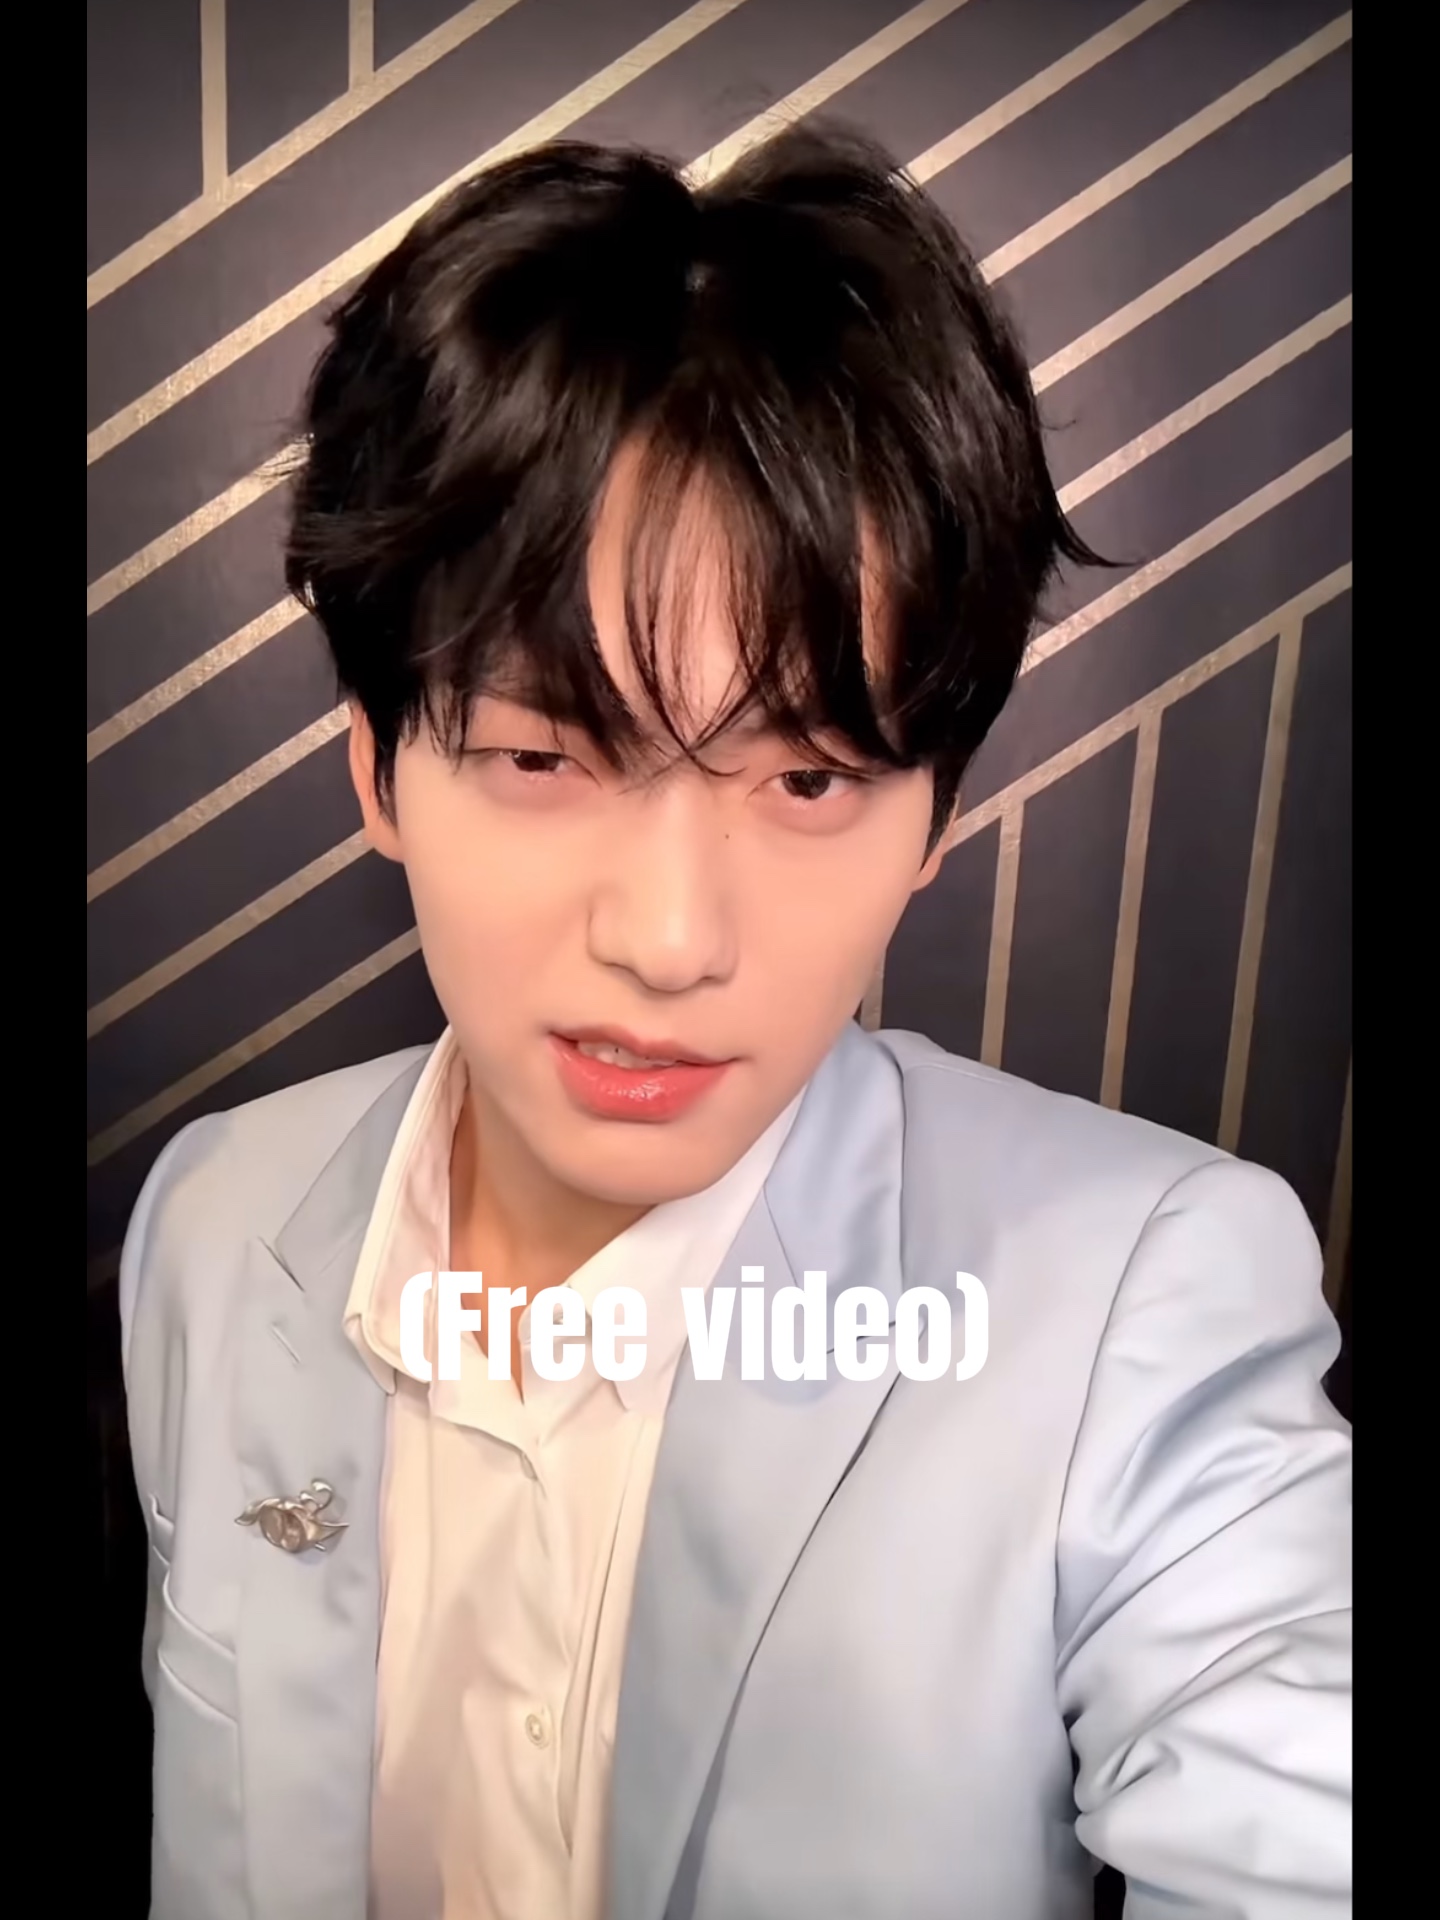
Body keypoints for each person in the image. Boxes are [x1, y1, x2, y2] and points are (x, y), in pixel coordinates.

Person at [120, 123, 1352, 1920]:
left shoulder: (1143, 1302)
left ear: (936, 816)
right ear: (377, 769)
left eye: (810, 780)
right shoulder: (214, 1221)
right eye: (543, 758)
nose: (673, 941)